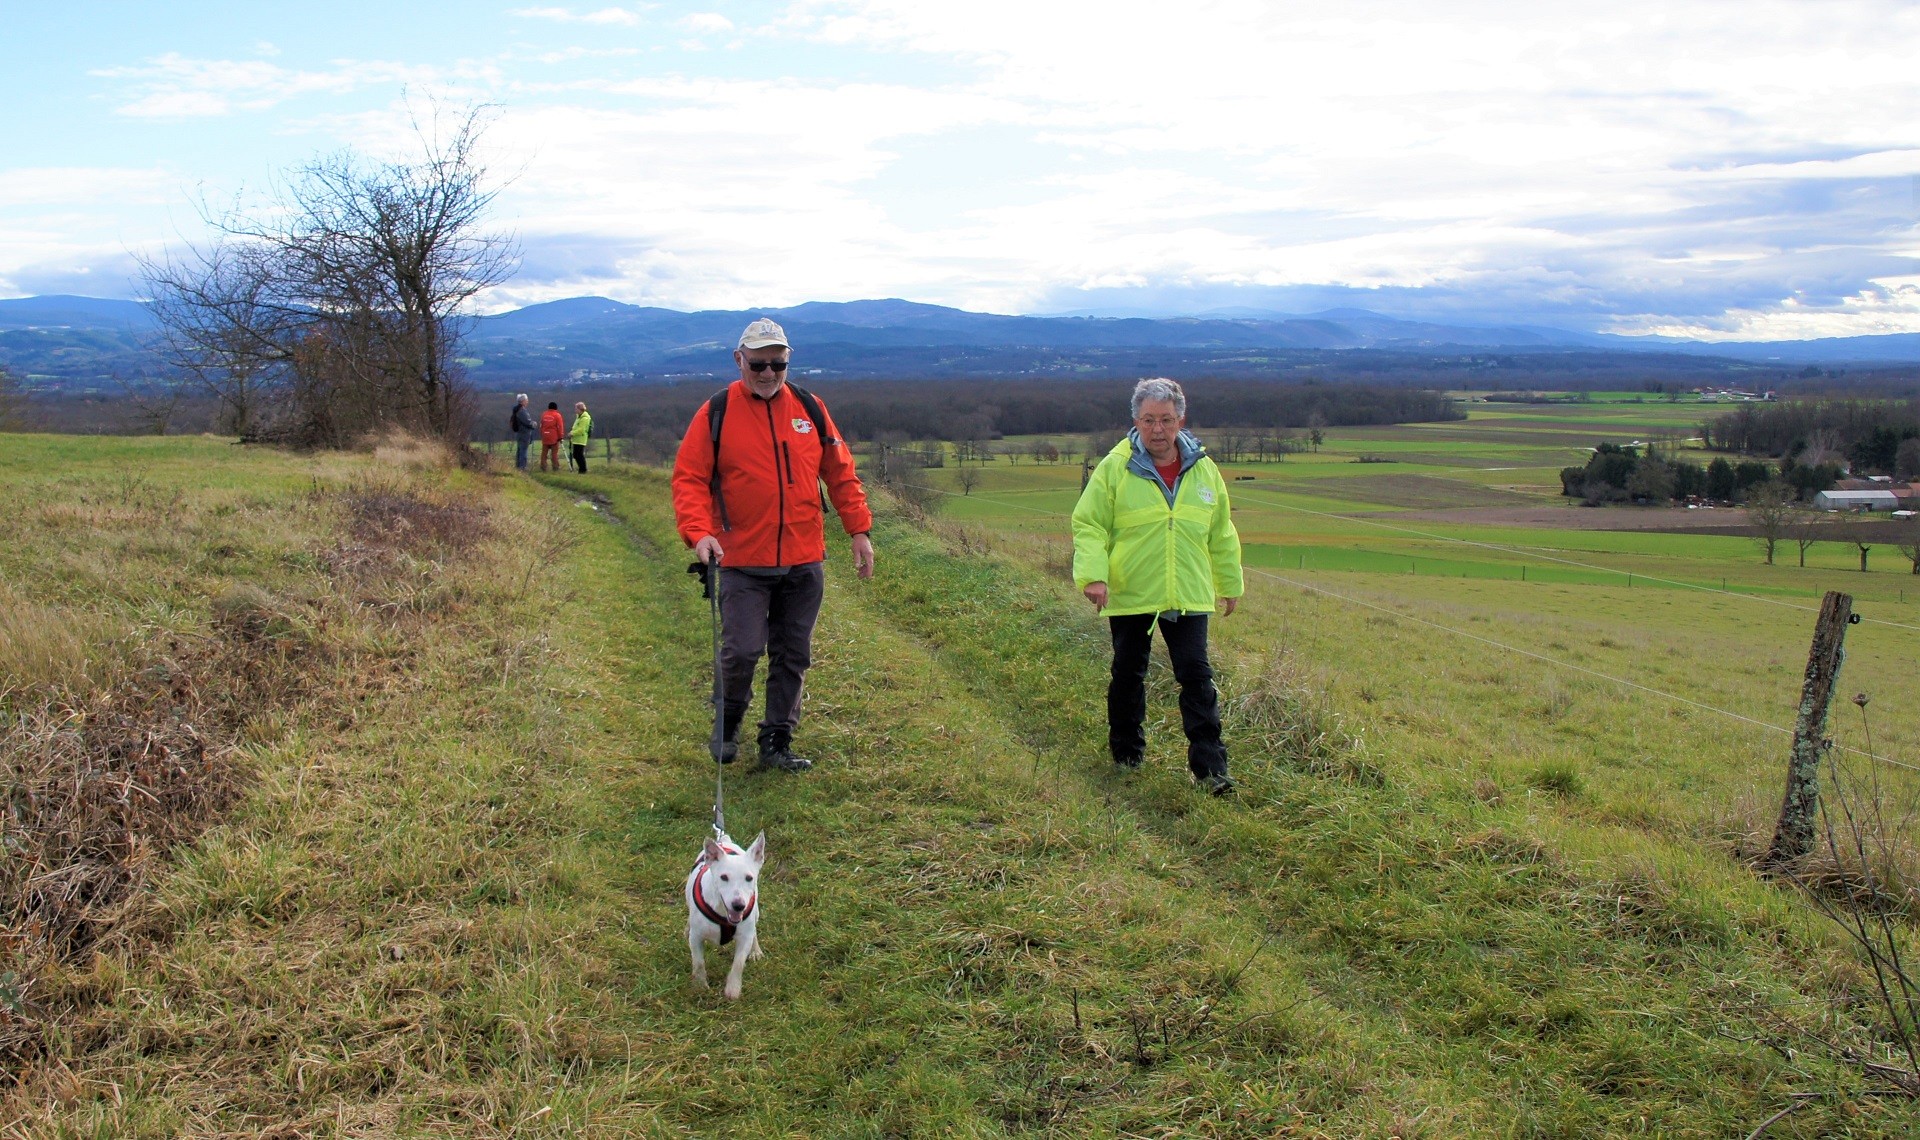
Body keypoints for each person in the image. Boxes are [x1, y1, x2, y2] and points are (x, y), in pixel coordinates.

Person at [671, 317, 875, 772]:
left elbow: (840, 472)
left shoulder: (809, 407)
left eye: (776, 364)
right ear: (738, 359)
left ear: (788, 362)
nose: (767, 373)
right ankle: (727, 724)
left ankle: (777, 742)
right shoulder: (717, 411)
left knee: (793, 653)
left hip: (804, 557)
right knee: (742, 649)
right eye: (758, 363)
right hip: (741, 557)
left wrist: (859, 531)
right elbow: (689, 479)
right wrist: (699, 532)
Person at [1071, 378, 1245, 796]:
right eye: (1148, 420)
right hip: (1133, 590)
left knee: (1197, 676)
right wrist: (1094, 576)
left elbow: (1220, 532)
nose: (1158, 430)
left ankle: (1211, 770)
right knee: (1128, 672)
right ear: (1136, 421)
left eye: (1166, 420)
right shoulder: (1116, 467)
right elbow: (1089, 523)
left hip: (1188, 592)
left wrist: (1229, 582)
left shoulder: (1204, 469)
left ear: (1181, 421)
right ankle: (1126, 755)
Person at [510, 394, 536, 470]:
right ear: (523, 401)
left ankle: (518, 466)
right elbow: (527, 422)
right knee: (523, 451)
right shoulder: (522, 411)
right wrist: (534, 424)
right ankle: (522, 467)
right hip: (524, 434)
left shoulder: (517, 410)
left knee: (520, 450)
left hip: (519, 433)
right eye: (526, 400)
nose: (527, 401)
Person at [539, 402, 565, 471]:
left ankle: (543, 467)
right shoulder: (557, 415)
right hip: (554, 437)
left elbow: (541, 426)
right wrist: (561, 436)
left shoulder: (544, 414)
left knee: (544, 453)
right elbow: (560, 427)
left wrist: (542, 434)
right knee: (554, 454)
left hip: (545, 436)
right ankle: (555, 467)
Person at [569, 401, 593, 473]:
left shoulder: (585, 418)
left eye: (576, 409)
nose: (575, 410)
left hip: (580, 439)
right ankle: (581, 469)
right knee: (576, 455)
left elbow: (581, 430)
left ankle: (583, 469)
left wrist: (572, 433)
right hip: (576, 439)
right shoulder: (579, 417)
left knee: (579, 455)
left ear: (580, 409)